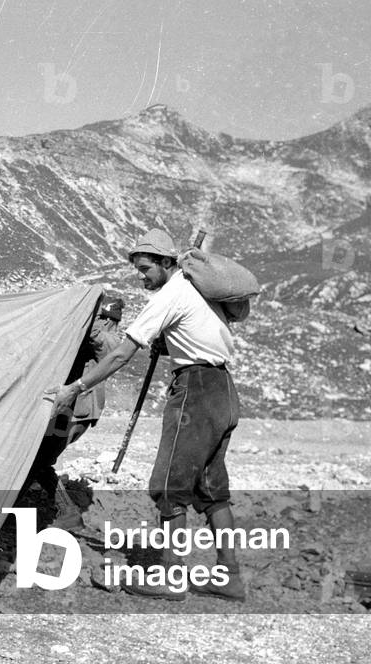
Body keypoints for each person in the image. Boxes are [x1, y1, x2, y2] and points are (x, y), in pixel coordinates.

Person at [50, 228, 244, 602]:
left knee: (168, 486)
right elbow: (198, 334)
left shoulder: (171, 294)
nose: (141, 277)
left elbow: (122, 354)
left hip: (196, 393)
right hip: (224, 391)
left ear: (166, 263)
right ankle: (229, 576)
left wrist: (76, 388)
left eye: (145, 269)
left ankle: (171, 578)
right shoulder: (199, 292)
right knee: (212, 489)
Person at [30, 295, 123, 528]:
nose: (100, 322)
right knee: (38, 458)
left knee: (39, 460)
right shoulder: (95, 334)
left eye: (102, 318)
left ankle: (68, 511)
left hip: (78, 412)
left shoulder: (109, 338)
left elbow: (107, 347)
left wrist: (86, 318)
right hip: (68, 410)